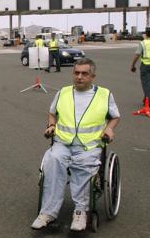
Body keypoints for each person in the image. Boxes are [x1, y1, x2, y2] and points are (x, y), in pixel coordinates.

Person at [31, 58, 120, 232]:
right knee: (53, 161)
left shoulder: (104, 94)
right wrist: (51, 125)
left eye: (84, 73)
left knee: (83, 167)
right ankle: (48, 213)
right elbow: (52, 113)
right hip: (63, 143)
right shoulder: (63, 92)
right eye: (76, 73)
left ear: (92, 76)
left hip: (89, 146)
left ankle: (80, 212)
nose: (79, 77)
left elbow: (115, 117)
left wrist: (109, 129)